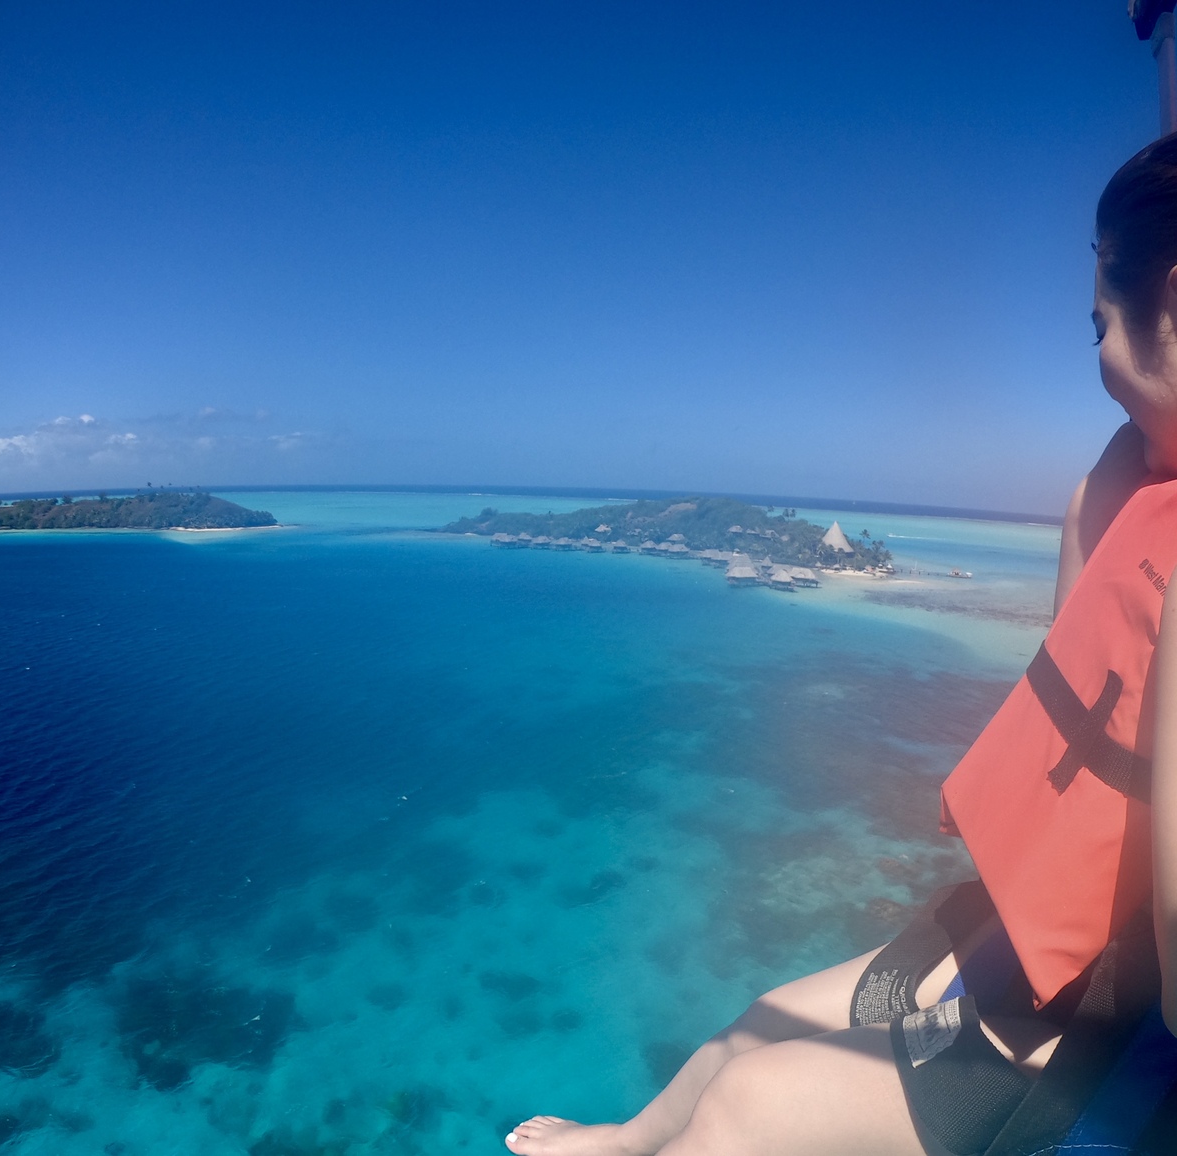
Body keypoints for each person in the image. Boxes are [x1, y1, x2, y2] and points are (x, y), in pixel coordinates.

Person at [503, 136, 1177, 1156]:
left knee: (748, 1111)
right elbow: (1073, 657)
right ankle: (628, 1136)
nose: (1094, 372)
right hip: (1013, 931)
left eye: (1096, 330)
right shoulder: (1130, 489)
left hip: (1089, 1010)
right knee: (747, 1032)